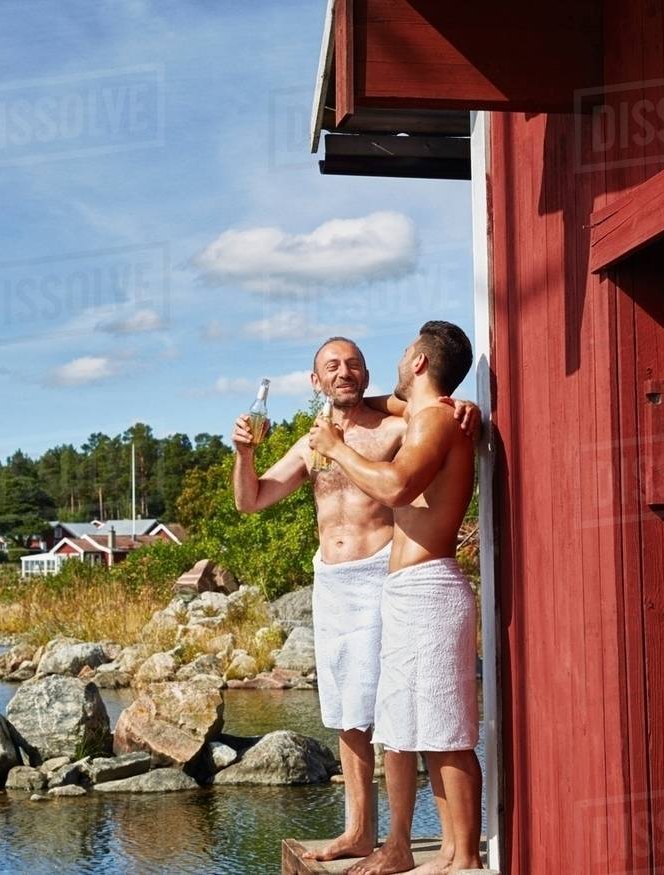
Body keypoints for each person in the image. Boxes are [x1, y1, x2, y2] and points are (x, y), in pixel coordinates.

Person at [231, 336, 478, 864]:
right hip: (332, 584)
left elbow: (432, 412)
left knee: (394, 716)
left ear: (367, 375)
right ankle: (358, 831)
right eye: (332, 366)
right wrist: (244, 454)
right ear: (315, 380)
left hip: (382, 575)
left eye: (354, 364)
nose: (344, 372)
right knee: (349, 712)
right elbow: (251, 500)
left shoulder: (395, 424)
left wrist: (464, 405)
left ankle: (400, 838)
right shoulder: (312, 442)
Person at [309, 321, 481, 875]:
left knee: (447, 733)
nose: (399, 360)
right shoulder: (431, 414)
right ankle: (447, 853)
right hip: (406, 589)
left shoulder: (434, 420)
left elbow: (397, 486)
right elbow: (381, 402)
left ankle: (465, 858)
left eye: (406, 352)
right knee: (414, 730)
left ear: (420, 362)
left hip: (429, 587)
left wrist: (337, 448)